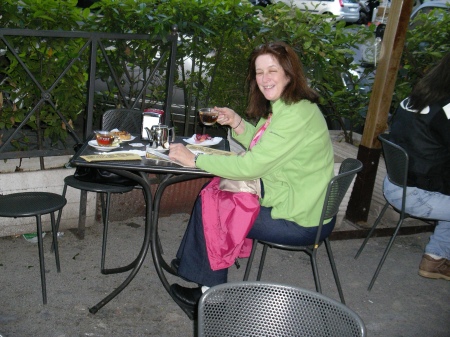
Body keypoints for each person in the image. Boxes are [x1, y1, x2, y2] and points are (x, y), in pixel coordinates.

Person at [168, 41, 335, 318]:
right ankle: (193, 264)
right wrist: (236, 122)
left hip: (299, 220)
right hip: (298, 201)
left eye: (272, 70)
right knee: (213, 193)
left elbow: (252, 165)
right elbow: (264, 145)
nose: (265, 79)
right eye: (259, 72)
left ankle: (209, 300)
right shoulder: (291, 107)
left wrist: (194, 159)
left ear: (289, 73)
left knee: (216, 205)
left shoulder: (295, 115)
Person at [385, 52, 450, 282]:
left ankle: (435, 259)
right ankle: (437, 256)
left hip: (394, 182)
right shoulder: (447, 108)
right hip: (418, 194)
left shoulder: (418, 96)